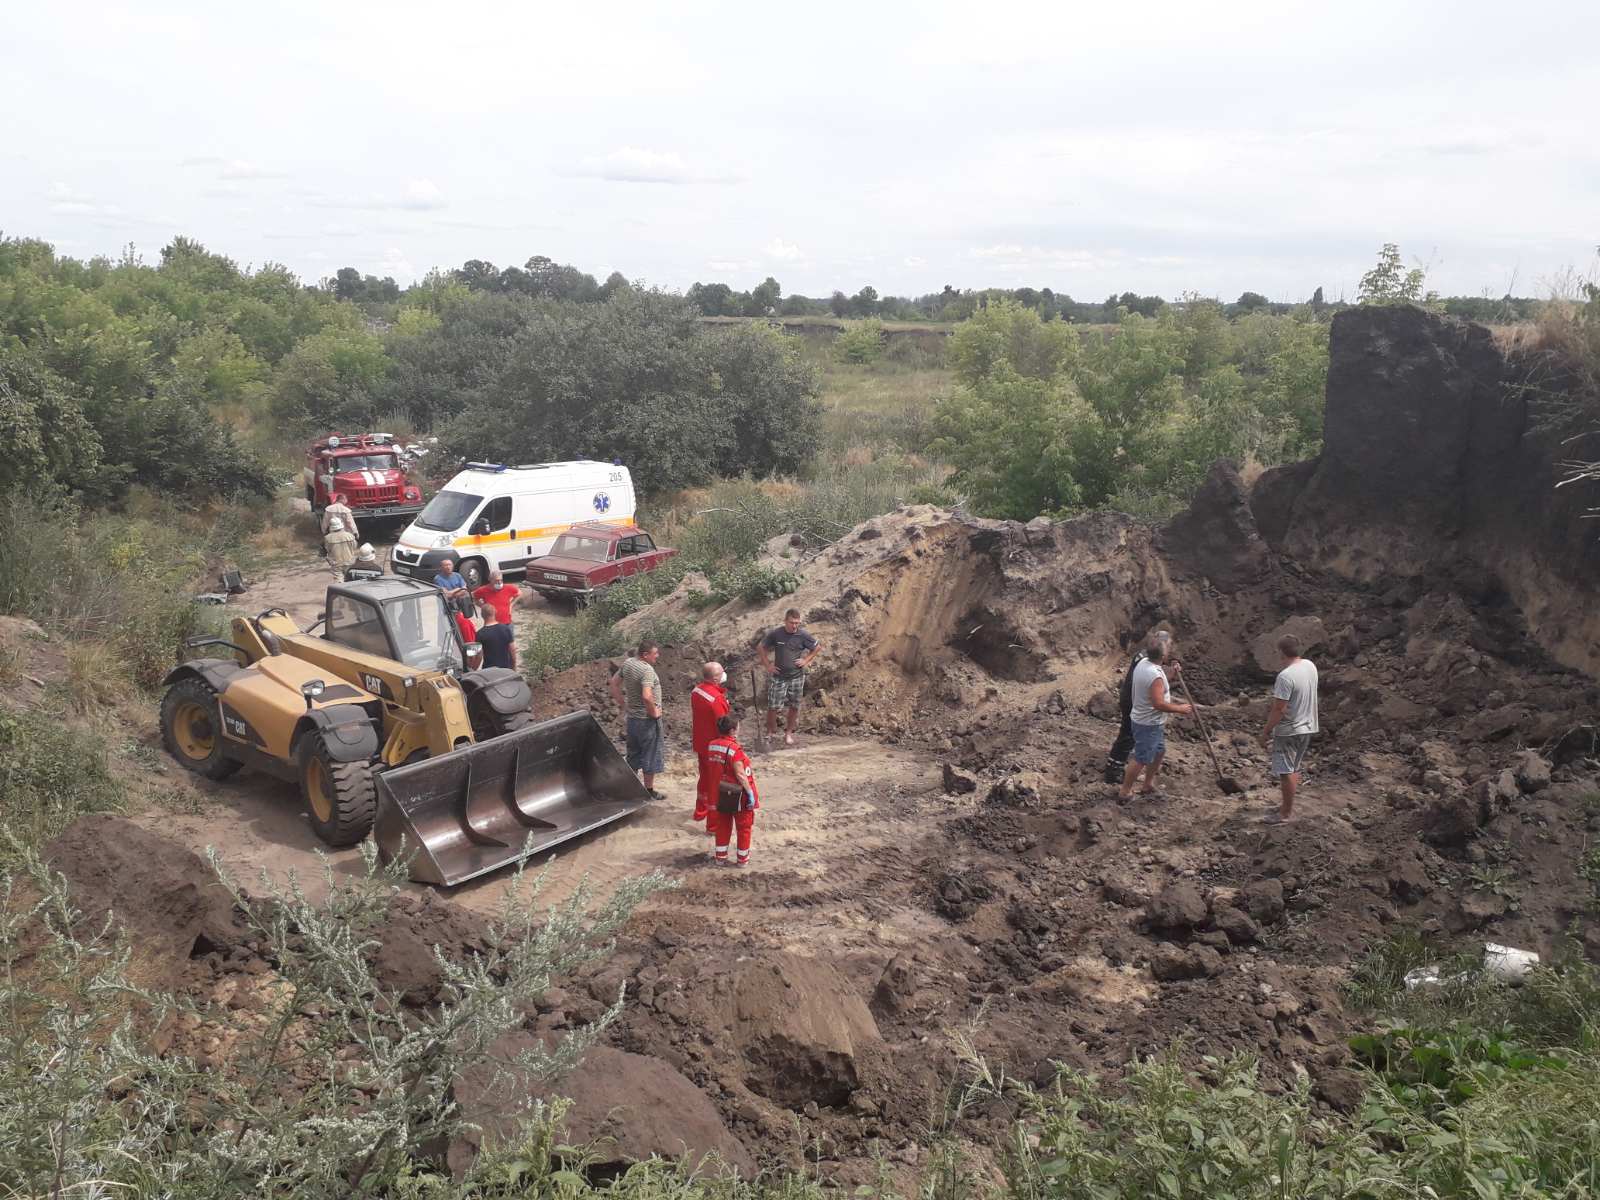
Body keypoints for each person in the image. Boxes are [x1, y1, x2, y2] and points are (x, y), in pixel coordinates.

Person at [1118, 638, 1193, 801]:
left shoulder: (1144, 662)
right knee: (1141, 758)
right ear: (1164, 654)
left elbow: (1159, 676)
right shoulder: (1155, 676)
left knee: (1159, 751)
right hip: (1148, 723)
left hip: (1148, 721)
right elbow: (1158, 703)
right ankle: (1125, 792)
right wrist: (1180, 709)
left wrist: (1173, 670)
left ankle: (1147, 784)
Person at [1103, 630, 1176, 783]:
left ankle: (1117, 765)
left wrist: (1171, 669)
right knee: (1128, 734)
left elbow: (1156, 670)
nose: (1170, 649)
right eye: (1168, 646)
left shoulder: (1145, 655)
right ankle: (1113, 771)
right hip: (1133, 701)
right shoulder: (1146, 661)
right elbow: (1154, 676)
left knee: (1129, 734)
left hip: (1132, 697)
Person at [1261, 634, 1319, 822]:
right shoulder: (1309, 665)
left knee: (1286, 772)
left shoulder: (1285, 677)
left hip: (1289, 731)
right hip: (1307, 726)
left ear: (1281, 653)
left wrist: (1265, 731)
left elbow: (1279, 709)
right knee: (1294, 768)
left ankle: (1284, 814)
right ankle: (1287, 807)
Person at [609, 640, 665, 800]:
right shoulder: (647, 671)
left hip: (632, 719)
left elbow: (613, 684)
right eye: (655, 653)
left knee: (633, 754)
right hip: (647, 720)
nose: (658, 656)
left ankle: (631, 789)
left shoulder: (628, 663)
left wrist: (623, 705)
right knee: (650, 754)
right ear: (645, 655)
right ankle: (649, 791)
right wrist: (654, 712)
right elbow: (647, 696)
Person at [759, 608, 820, 748]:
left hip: (797, 677)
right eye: (792, 622)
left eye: (797, 623)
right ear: (785, 621)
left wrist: (806, 660)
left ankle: (788, 734)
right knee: (773, 706)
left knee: (794, 705)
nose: (794, 626)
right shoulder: (776, 634)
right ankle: (769, 733)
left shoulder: (802, 635)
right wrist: (768, 665)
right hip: (779, 676)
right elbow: (761, 647)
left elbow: (817, 647)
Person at [705, 713, 759, 867]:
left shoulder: (712, 745)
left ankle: (720, 858)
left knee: (722, 825)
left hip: (720, 793)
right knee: (744, 827)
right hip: (737, 795)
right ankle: (742, 860)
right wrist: (749, 793)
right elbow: (741, 774)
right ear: (732, 730)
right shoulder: (735, 750)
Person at [690, 661, 732, 829]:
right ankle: (713, 825)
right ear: (715, 678)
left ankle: (700, 811)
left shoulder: (696, 690)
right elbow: (724, 725)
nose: (724, 674)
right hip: (715, 748)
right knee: (716, 785)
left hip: (701, 743)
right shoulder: (715, 699)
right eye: (722, 672)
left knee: (705, 779)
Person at [475, 602, 516, 670]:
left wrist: (473, 670)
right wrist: (513, 666)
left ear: (482, 615)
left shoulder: (480, 634)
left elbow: (479, 656)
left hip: (489, 670)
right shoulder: (505, 629)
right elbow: (512, 650)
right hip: (505, 668)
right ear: (495, 612)